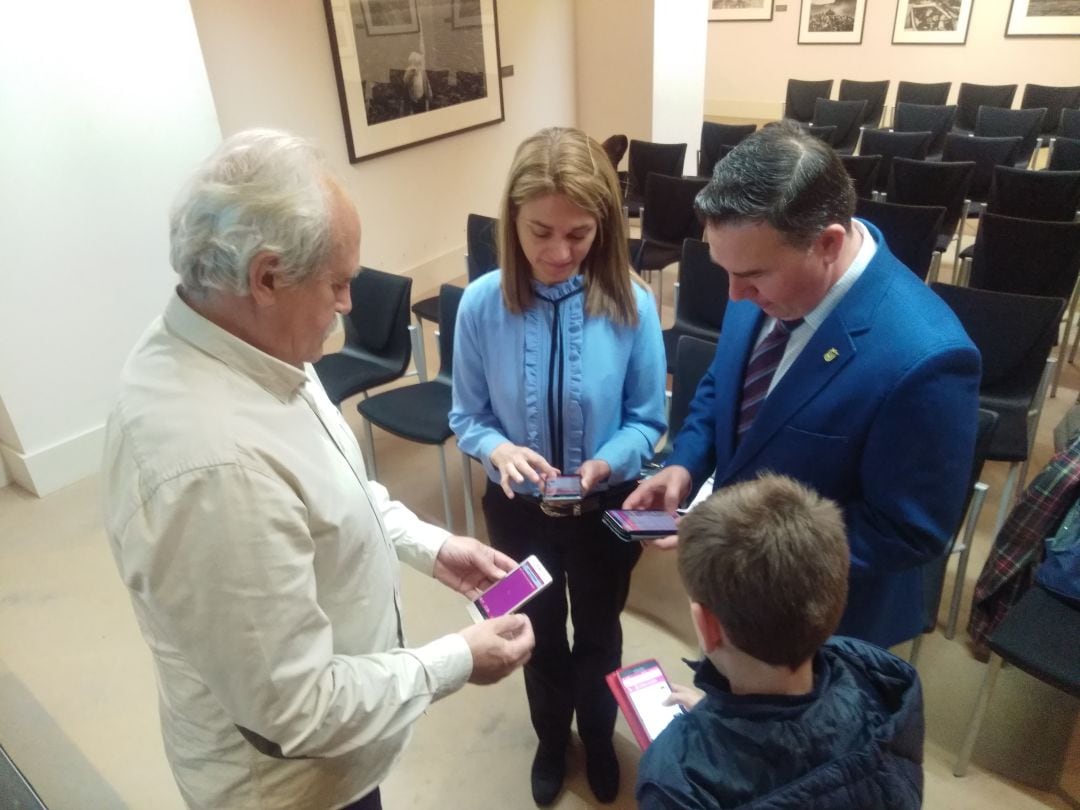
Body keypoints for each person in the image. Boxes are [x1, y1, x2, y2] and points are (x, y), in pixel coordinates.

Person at [102, 129, 534, 810]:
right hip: (294, 789)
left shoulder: (250, 346)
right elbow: (296, 708)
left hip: (341, 754)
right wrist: (456, 659)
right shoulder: (211, 471)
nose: (348, 306)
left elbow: (334, 491)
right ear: (267, 277)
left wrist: (432, 546)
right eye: (337, 284)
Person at [624, 120, 981, 649]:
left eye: (753, 277)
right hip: (735, 595)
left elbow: (908, 531)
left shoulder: (926, 357)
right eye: (725, 269)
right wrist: (685, 462)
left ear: (828, 243)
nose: (735, 294)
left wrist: (740, 543)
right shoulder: (756, 265)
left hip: (829, 625)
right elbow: (725, 384)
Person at [450, 126, 666, 805]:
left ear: (603, 227)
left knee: (599, 632)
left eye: (578, 235)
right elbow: (466, 417)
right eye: (540, 231)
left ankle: (598, 738)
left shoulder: (634, 304)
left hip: (606, 511)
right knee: (532, 633)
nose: (558, 252)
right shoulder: (482, 304)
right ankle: (551, 739)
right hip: (516, 513)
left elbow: (648, 422)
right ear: (511, 219)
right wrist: (497, 448)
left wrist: (611, 458)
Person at [635, 474, 925, 809]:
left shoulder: (677, 782)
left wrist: (705, 739)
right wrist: (716, 719)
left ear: (707, 626)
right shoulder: (881, 690)